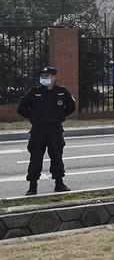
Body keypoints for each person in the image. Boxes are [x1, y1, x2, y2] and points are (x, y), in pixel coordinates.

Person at [17, 66, 76, 195]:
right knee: (35, 159)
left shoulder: (62, 92)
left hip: (55, 130)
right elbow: (21, 109)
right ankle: (33, 186)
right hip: (38, 131)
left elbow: (71, 107)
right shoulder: (34, 92)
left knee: (57, 158)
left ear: (53, 77)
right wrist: (33, 117)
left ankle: (59, 184)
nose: (44, 78)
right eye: (42, 76)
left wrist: (60, 116)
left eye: (47, 76)